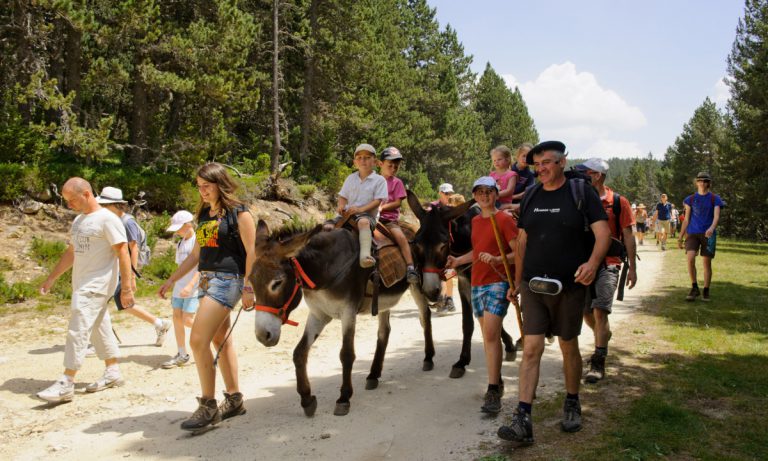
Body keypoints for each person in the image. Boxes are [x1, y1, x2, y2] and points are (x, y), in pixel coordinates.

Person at [497, 141, 610, 445]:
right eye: (537, 164)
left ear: (562, 162)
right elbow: (522, 241)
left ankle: (572, 402)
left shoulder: (580, 192)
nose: (541, 168)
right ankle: (523, 419)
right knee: (531, 348)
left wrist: (592, 263)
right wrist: (517, 282)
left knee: (567, 345)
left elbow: (603, 233)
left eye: (547, 162)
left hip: (570, 285)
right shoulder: (532, 194)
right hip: (534, 286)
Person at [158, 162, 256, 431]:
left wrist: (249, 287)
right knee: (219, 338)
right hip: (206, 279)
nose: (202, 191)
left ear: (219, 184)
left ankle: (208, 406)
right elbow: (196, 255)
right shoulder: (204, 214)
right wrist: (172, 278)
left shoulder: (240, 213)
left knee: (197, 340)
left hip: (229, 280)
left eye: (207, 186)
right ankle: (234, 399)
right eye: (199, 187)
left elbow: (252, 252)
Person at [36, 178, 134, 403]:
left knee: (78, 329)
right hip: (81, 282)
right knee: (99, 326)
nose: (69, 204)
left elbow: (123, 253)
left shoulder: (108, 219)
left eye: (72, 199)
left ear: (87, 194)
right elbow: (72, 252)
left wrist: (127, 288)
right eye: (66, 200)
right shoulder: (80, 220)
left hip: (96, 285)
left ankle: (66, 382)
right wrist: (51, 278)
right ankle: (113, 371)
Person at [446, 176, 518, 415]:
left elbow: (518, 252)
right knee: (489, 337)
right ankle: (496, 381)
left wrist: (499, 259)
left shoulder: (505, 220)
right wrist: (458, 260)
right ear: (475, 196)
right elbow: (478, 250)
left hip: (498, 280)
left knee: (489, 334)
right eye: (480, 192)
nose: (485, 195)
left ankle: (493, 389)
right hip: (477, 282)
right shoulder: (476, 221)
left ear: (496, 194)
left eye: (489, 191)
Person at [574, 159, 637, 384]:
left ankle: (598, 361)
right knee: (585, 312)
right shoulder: (579, 199)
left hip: (609, 262)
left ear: (597, 175)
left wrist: (632, 268)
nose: (580, 177)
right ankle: (602, 335)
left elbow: (628, 235)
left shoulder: (619, 202)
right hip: (583, 262)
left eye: (585, 173)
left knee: (600, 311)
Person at [96, 187, 171, 346]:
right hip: (116, 268)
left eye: (105, 205)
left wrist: (131, 276)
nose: (101, 208)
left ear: (115, 205)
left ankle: (106, 339)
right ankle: (160, 324)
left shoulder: (127, 222)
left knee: (101, 303)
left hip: (122, 270)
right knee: (123, 303)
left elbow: (133, 248)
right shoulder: (113, 220)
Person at [324, 143, 388, 268]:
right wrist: (341, 206)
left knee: (363, 222)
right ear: (355, 162)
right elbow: (343, 196)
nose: (363, 160)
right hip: (348, 214)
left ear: (375, 162)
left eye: (367, 157)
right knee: (327, 225)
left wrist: (360, 209)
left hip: (367, 215)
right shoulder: (350, 178)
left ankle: (364, 255)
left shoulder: (379, 180)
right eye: (359, 158)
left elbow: (377, 201)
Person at [161, 210, 200, 369]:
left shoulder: (198, 241)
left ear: (189, 224)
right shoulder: (181, 242)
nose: (177, 231)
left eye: (179, 227)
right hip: (179, 287)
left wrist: (191, 285)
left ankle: (212, 332)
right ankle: (182, 353)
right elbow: (180, 267)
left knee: (188, 320)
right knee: (177, 317)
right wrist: (171, 283)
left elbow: (202, 267)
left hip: (194, 286)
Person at [376, 147, 419, 284]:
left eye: (396, 166)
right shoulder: (373, 180)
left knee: (401, 238)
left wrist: (381, 208)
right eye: (390, 165)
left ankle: (410, 267)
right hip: (371, 216)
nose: (393, 168)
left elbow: (397, 203)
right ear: (380, 164)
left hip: (388, 220)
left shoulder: (397, 182)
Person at [678, 171, 723, 302]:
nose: (702, 183)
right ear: (696, 182)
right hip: (692, 233)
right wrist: (680, 236)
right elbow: (686, 220)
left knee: (706, 263)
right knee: (690, 258)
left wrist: (711, 228)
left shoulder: (715, 199)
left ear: (709, 183)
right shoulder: (690, 199)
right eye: (700, 180)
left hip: (708, 234)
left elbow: (716, 216)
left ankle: (706, 290)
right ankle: (694, 287)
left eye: (705, 181)